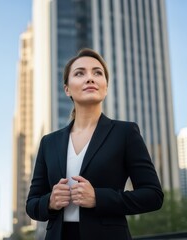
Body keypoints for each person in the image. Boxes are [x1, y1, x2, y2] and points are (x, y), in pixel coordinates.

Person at [26, 48, 164, 240]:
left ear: (105, 86)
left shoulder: (125, 133)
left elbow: (153, 196)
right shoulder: (49, 142)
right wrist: (50, 201)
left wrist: (98, 198)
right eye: (80, 73)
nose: (90, 78)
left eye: (97, 73)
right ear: (67, 89)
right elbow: (31, 204)